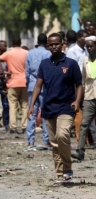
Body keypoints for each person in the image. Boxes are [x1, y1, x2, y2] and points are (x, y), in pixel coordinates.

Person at [27, 33, 82, 182]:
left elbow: (78, 84)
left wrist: (77, 101)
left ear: (62, 44)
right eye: (51, 44)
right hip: (49, 107)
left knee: (62, 135)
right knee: (54, 142)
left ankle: (68, 168)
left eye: (56, 44)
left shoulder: (71, 63)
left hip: (66, 106)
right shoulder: (44, 64)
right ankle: (60, 173)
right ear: (47, 46)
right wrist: (32, 105)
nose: (53, 47)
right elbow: (38, 85)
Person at [72, 36, 96, 161]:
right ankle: (80, 151)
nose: (90, 48)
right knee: (84, 124)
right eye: (88, 47)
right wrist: (79, 99)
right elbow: (83, 81)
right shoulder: (85, 60)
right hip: (89, 97)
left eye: (92, 46)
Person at [25, 33, 51, 147]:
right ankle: (46, 140)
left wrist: (29, 82)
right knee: (45, 113)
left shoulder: (30, 53)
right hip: (44, 86)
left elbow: (26, 71)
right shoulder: (48, 53)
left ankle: (31, 141)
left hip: (32, 85)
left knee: (32, 113)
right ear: (46, 42)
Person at [0, 37, 29, 134]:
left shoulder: (9, 53)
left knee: (13, 106)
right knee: (24, 105)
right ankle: (25, 126)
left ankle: (13, 127)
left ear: (12, 42)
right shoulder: (26, 53)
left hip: (13, 81)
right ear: (20, 43)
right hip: (24, 81)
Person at [66, 30, 88, 142]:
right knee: (77, 109)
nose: (86, 39)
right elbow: (70, 69)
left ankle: (87, 138)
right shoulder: (72, 51)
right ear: (79, 38)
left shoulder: (86, 50)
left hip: (87, 84)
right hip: (76, 84)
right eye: (84, 37)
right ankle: (79, 138)